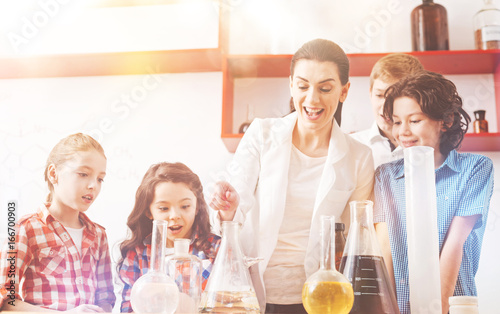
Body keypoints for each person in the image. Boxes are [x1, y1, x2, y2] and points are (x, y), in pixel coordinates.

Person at [209, 38, 375, 313]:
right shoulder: (262, 134)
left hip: (322, 297)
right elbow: (235, 210)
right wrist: (227, 206)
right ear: (291, 85)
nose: (312, 99)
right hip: (252, 291)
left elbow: (353, 242)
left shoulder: (359, 157)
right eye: (302, 86)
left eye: (325, 88)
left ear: (344, 91)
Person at [373, 71, 494, 314]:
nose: (402, 132)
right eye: (397, 121)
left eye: (414, 120)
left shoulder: (475, 169)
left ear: (446, 121)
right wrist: (387, 309)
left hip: (453, 305)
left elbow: (454, 244)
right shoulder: (385, 176)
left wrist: (435, 310)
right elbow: (384, 250)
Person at [0, 133, 115, 312]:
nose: (93, 185)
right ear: (54, 174)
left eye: (100, 179)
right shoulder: (25, 230)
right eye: (83, 174)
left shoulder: (99, 235)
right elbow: (6, 301)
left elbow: (106, 298)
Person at [117, 162, 221, 313]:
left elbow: (229, 302)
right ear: (148, 211)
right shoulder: (137, 254)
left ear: (197, 206)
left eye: (185, 206)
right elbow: (128, 308)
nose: (175, 216)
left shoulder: (215, 248)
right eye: (164, 208)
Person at [350, 53, 424, 169]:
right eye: (379, 95)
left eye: (394, 97)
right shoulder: (351, 145)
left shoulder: (427, 146)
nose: (385, 107)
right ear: (370, 94)